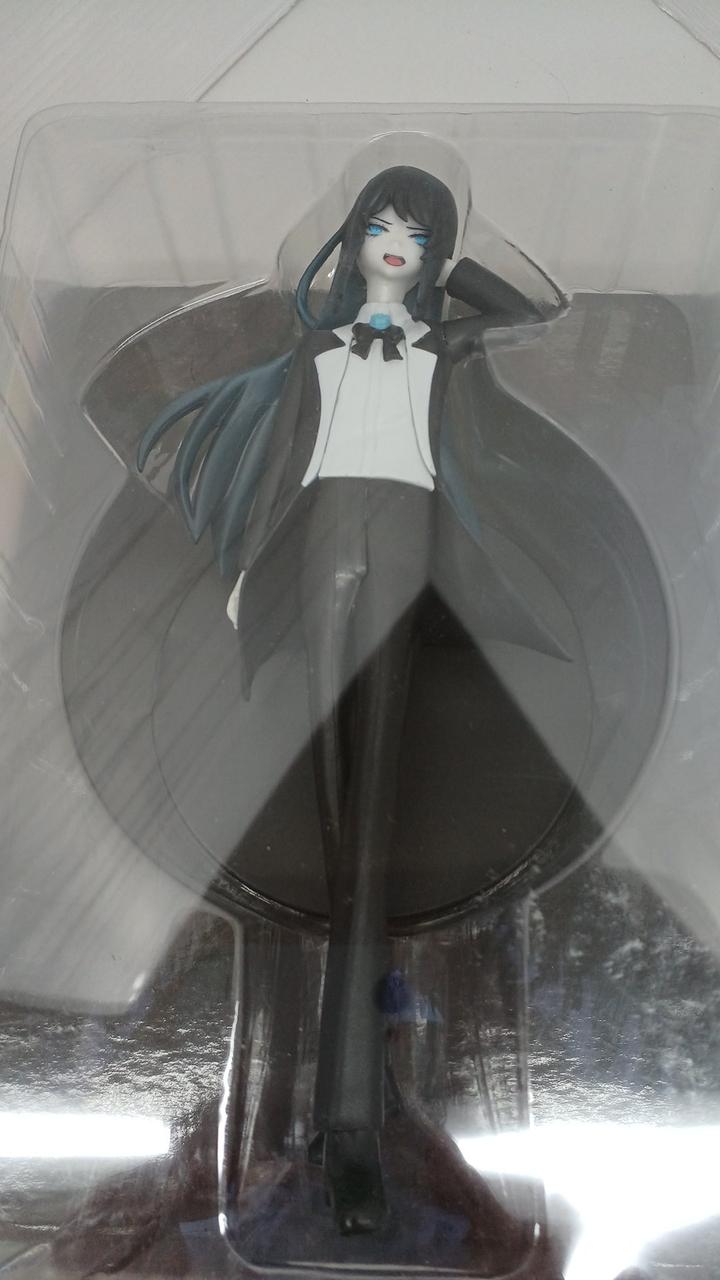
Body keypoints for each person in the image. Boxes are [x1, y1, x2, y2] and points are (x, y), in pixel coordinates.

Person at [138, 163, 568, 1233]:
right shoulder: (317, 351)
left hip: (407, 540)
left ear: (434, 256)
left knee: (373, 794)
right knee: (333, 786)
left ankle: (351, 1106)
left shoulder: (440, 347)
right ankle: (349, 1083)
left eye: (415, 236)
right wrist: (247, 574)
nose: (394, 246)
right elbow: (282, 461)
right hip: (327, 536)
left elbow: (531, 316)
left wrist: (452, 279)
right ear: (351, 237)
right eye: (380, 226)